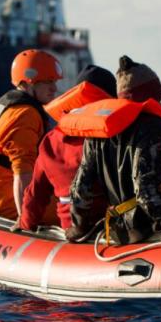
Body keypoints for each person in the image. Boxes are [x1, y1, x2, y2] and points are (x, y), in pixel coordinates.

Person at [65, 56, 161, 248]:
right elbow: (144, 192)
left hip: (119, 231)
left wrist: (79, 226)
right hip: (149, 230)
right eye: (158, 97)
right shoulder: (151, 126)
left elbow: (80, 188)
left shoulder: (98, 131)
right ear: (149, 95)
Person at [19, 65, 117, 231]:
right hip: (110, 230)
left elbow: (35, 194)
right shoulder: (115, 136)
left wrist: (25, 224)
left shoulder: (51, 140)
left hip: (69, 228)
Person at [0, 49, 61, 222]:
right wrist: (25, 219)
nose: (54, 88)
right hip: (2, 200)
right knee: (73, 210)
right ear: (29, 82)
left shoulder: (10, 106)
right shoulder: (25, 115)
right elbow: (22, 173)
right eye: (48, 82)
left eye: (54, 81)